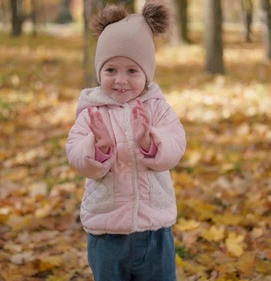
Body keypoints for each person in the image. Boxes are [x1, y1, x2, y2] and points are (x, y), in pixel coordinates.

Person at [65, 1, 186, 280]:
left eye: (132, 71)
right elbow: (75, 154)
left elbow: (176, 146)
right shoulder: (92, 112)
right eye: (111, 70)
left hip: (154, 229)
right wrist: (99, 147)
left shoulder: (157, 108)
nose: (121, 80)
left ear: (147, 74)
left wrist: (150, 141)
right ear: (99, 72)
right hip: (108, 232)